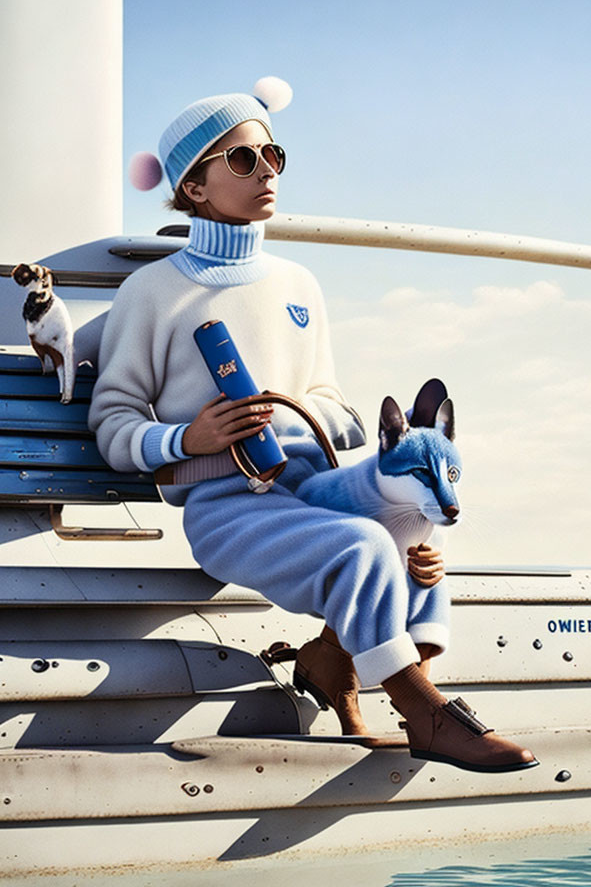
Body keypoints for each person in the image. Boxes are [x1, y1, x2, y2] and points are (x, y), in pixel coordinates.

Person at [89, 77, 537, 772]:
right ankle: (427, 713)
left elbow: (333, 402)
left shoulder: (298, 283)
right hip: (227, 505)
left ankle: (332, 661)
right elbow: (113, 424)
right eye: (243, 160)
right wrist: (188, 438)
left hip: (314, 487)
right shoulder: (154, 291)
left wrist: (303, 416)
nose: (267, 170)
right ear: (195, 187)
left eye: (274, 155)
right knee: (363, 547)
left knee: (419, 538)